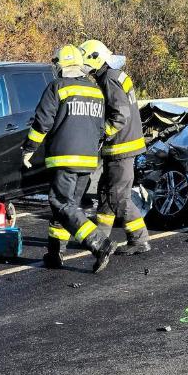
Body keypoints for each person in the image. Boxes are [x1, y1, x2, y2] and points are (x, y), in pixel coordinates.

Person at [22, 45, 116, 273]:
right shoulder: (95, 91)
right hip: (88, 159)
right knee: (67, 208)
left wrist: (29, 149)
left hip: (65, 158)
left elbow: (42, 122)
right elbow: (101, 127)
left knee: (61, 203)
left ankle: (99, 243)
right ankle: (55, 254)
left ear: (60, 65)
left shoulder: (57, 87)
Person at [79, 39, 151, 256]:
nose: (84, 68)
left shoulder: (108, 79)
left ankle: (139, 240)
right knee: (105, 193)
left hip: (121, 147)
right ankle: (101, 238)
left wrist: (101, 134)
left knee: (119, 197)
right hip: (121, 147)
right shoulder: (113, 75)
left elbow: (120, 115)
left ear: (95, 58)